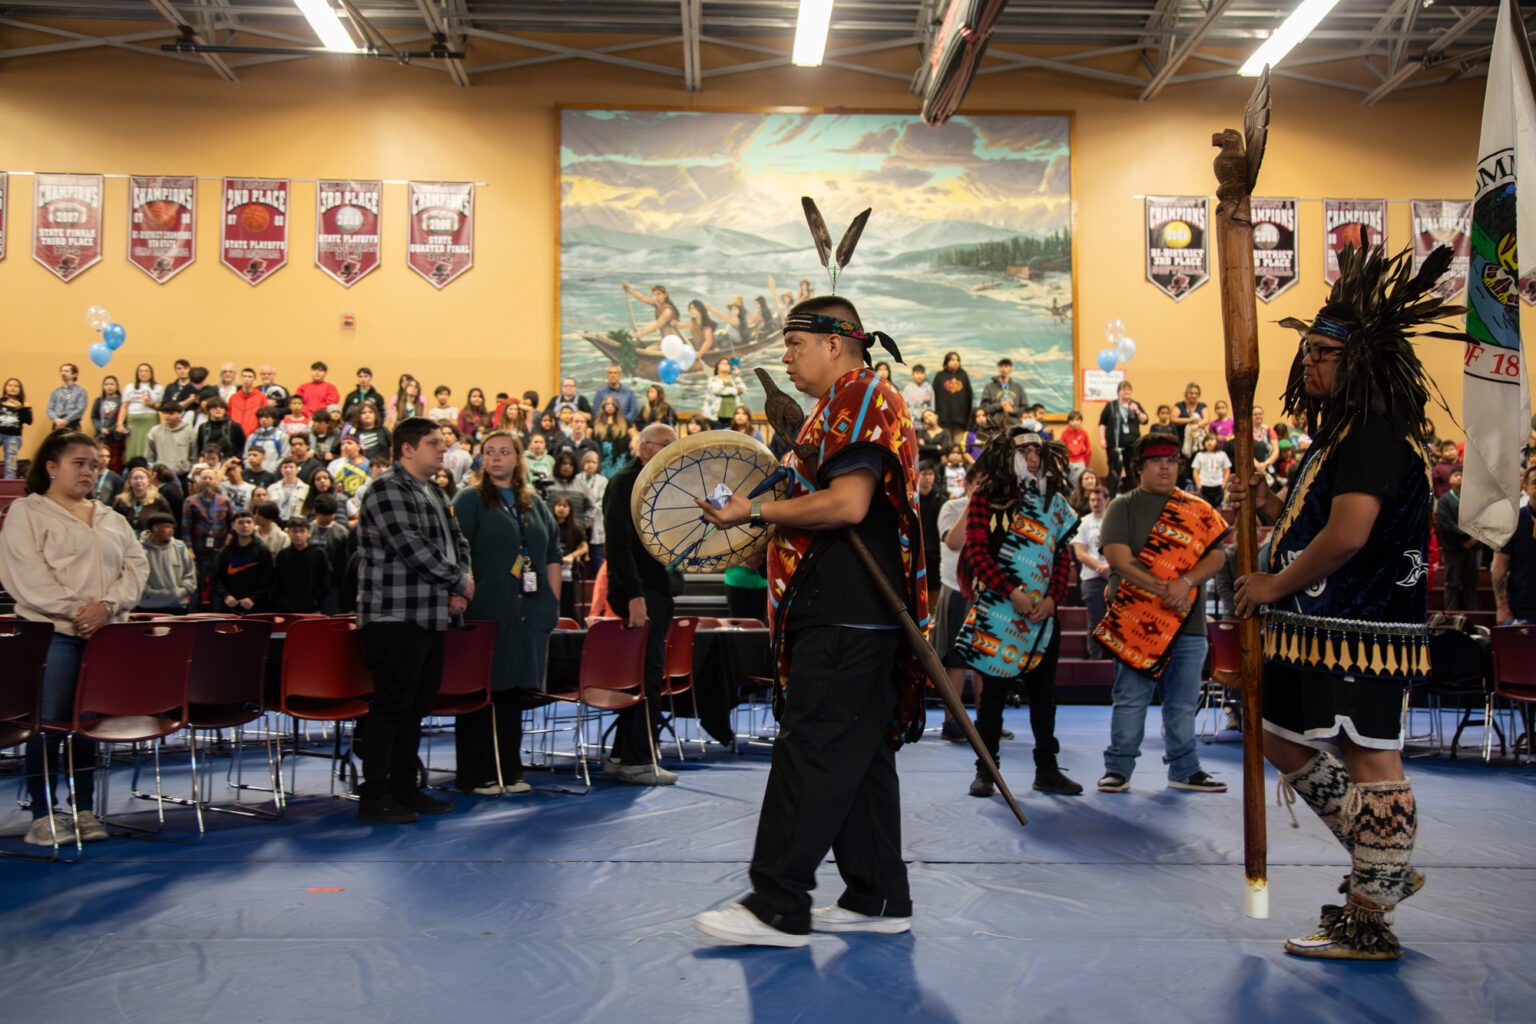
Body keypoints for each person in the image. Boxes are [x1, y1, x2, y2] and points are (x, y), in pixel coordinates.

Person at [1230, 246, 1457, 961]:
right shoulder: (1340, 437)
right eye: (1306, 352)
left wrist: (1269, 584)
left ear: (1363, 362)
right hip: (1319, 629)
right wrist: (1263, 504)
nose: (1309, 364)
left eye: (1324, 353)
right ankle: (1380, 860)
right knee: (1277, 734)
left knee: (1370, 758)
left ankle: (1370, 916)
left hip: (1362, 629)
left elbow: (1349, 535)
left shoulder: (1375, 435)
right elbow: (1313, 519)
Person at [692, 294, 925, 947]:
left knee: (814, 748)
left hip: (848, 613)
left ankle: (777, 903)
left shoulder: (860, 397)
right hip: (854, 614)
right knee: (859, 755)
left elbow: (848, 505)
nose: (787, 358)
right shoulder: (840, 407)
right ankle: (877, 894)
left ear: (836, 342)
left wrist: (754, 514)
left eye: (795, 344)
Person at [0, 431, 147, 846]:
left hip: (105, 635)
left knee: (86, 724)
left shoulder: (110, 517)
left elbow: (135, 569)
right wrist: (77, 612)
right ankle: (43, 816)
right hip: (53, 634)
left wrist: (108, 605)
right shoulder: (27, 513)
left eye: (95, 465)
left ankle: (83, 809)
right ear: (51, 466)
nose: (89, 471)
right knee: (47, 726)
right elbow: (26, 576)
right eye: (79, 463)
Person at [1094, 433, 1230, 795]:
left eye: (1172, 460)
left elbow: (1218, 555)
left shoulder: (1199, 509)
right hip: (1135, 621)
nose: (1166, 466)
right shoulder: (1122, 506)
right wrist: (1168, 589)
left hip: (1189, 623)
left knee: (1183, 703)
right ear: (1140, 467)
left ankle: (1185, 768)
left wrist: (1185, 583)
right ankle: (1118, 769)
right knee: (1130, 700)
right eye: (1157, 461)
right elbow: (1118, 559)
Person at [355, 417, 475, 824]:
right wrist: (458, 580)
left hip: (429, 614)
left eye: (442, 443)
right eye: (432, 443)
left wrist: (460, 584)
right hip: (394, 615)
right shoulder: (385, 489)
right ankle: (374, 794)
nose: (442, 450)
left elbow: (457, 541)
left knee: (416, 707)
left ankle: (405, 788)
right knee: (391, 706)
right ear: (407, 449)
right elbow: (412, 547)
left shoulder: (435, 490)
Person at [954, 428, 1082, 798]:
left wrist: (1052, 599)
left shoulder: (1055, 504)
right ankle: (986, 771)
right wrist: (1012, 591)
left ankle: (1047, 770)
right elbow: (976, 552)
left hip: (1043, 617)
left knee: (1044, 699)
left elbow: (1061, 557)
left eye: (1037, 451)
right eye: (1024, 450)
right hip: (999, 611)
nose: (1032, 458)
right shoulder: (986, 498)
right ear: (1007, 454)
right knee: (991, 698)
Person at [450, 430, 560, 795]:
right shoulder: (470, 499)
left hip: (526, 609)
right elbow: (456, 551)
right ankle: (477, 774)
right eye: (489, 452)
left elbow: (553, 554)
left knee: (512, 691)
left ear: (517, 458)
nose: (496, 458)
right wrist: (459, 593)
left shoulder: (535, 503)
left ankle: (510, 771)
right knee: (483, 690)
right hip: (485, 607)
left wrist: (551, 599)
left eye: (504, 452)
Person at [601, 422, 682, 785]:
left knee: (643, 674)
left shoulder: (662, 482)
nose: (671, 451)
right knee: (645, 676)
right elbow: (617, 546)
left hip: (658, 589)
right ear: (645, 448)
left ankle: (623, 754)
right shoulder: (624, 483)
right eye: (666, 445)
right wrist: (633, 595)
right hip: (641, 593)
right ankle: (637, 759)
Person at [182, 467, 232, 604]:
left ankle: (218, 615)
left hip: (220, 550)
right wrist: (189, 548)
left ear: (216, 481)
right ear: (199, 481)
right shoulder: (190, 501)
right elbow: (186, 527)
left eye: (211, 478)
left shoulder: (224, 501)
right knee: (197, 586)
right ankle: (193, 616)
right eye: (205, 478)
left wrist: (229, 546)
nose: (208, 481)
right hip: (199, 550)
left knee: (219, 585)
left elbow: (231, 525)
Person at [1433, 465, 1479, 611]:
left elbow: (1481, 520)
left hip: (1473, 548)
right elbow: (1446, 524)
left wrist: (1474, 539)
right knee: (1452, 583)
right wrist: (1466, 538)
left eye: (1462, 475)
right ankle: (1450, 616)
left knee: (1471, 584)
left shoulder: (1474, 499)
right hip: (1454, 548)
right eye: (1456, 475)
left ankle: (1472, 616)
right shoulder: (1444, 500)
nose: (1460, 477)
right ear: (1450, 479)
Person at [1494, 467, 1536, 624]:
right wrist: (1501, 607)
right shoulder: (1512, 521)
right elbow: (1499, 567)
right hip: (1523, 604)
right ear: (1525, 487)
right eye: (1535, 483)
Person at [1073, 486, 1111, 658]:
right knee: (1095, 621)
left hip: (1114, 576)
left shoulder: (1115, 520)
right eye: (1092, 500)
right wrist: (1100, 567)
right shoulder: (1084, 522)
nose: (1095, 503)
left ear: (1107, 500)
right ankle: (1094, 660)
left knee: (1115, 622)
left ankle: (1114, 659)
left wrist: (1110, 568)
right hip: (1091, 578)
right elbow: (1080, 553)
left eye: (1099, 500)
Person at [211, 510, 273, 613]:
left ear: (254, 525)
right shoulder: (225, 552)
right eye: (240, 522)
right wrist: (226, 596)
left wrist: (253, 598)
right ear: (233, 526)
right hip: (229, 607)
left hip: (256, 607)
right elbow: (215, 577)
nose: (245, 525)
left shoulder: (263, 550)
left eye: (249, 522)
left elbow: (268, 579)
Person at [137, 510, 197, 613]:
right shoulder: (139, 549)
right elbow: (136, 580)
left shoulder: (180, 547)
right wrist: (161, 595)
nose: (171, 530)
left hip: (177, 607)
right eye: (167, 526)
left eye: (172, 527)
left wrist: (180, 593)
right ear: (155, 528)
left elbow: (190, 576)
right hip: (147, 607)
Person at [271, 516, 330, 613]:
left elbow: (325, 580)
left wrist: (317, 600)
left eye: (302, 531)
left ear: (309, 533)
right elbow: (277, 582)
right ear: (288, 532)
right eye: (294, 531)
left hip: (312, 608)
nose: (298, 535)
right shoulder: (283, 555)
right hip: (286, 608)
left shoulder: (319, 553)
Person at [1097, 380, 1147, 495]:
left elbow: (1145, 420)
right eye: (1123, 389)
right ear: (1118, 392)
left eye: (1129, 389)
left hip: (1132, 446)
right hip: (1114, 445)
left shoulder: (1135, 405)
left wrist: (1137, 411)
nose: (1126, 391)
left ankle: (1130, 497)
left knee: (1131, 472)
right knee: (1114, 472)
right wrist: (1102, 439)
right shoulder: (1111, 406)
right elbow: (1102, 423)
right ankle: (1111, 497)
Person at [119, 363, 163, 463]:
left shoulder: (158, 388)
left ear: (151, 373)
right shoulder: (129, 387)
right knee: (133, 445)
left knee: (148, 444)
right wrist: (120, 423)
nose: (144, 373)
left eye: (147, 371)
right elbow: (124, 406)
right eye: (141, 371)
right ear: (137, 373)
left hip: (151, 419)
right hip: (133, 421)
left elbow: (161, 407)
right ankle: (132, 466)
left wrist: (151, 404)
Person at [113, 465, 172, 532]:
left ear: (148, 481)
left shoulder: (157, 499)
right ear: (130, 481)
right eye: (135, 478)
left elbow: (169, 521)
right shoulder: (121, 500)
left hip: (150, 539)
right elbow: (113, 521)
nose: (139, 481)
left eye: (142, 478)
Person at [575, 450, 607, 573]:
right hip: (579, 520)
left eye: (594, 462)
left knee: (596, 556)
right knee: (579, 555)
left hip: (595, 521)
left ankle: (598, 585)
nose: (591, 465)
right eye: (588, 462)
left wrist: (589, 516)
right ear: (583, 463)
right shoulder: (577, 478)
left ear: (598, 465)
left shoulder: (602, 480)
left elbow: (601, 501)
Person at [932, 351, 973, 444]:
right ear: (946, 362)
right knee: (946, 447)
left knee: (959, 448)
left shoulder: (963, 375)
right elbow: (934, 396)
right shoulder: (940, 376)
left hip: (960, 420)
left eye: (958, 360)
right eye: (952, 359)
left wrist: (968, 417)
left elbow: (969, 396)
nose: (956, 362)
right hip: (943, 419)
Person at [92, 375, 126, 471]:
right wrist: (100, 428)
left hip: (115, 437)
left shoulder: (121, 401)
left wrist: (110, 430)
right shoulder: (98, 401)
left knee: (114, 463)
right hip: (100, 437)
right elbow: (94, 417)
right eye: (106, 384)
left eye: (111, 384)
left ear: (117, 386)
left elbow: (124, 419)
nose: (109, 386)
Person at [195, 396, 245, 462]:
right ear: (209, 410)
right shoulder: (203, 427)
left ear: (225, 410)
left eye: (221, 407)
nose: (218, 409)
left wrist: (238, 458)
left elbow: (242, 446)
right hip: (209, 463)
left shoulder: (234, 426)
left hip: (229, 463)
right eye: (214, 408)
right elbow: (200, 448)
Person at [0, 377, 32, 479]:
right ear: (5, 388)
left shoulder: (23, 404)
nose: (13, 388)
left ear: (20, 389)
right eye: (10, 385)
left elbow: (29, 421)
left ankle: (9, 483)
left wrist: (22, 409)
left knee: (11, 462)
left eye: (16, 386)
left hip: (13, 436)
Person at [703, 358, 747, 429]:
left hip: (733, 417)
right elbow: (717, 390)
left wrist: (737, 376)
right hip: (716, 418)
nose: (726, 365)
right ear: (717, 367)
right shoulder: (712, 379)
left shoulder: (733, 379)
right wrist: (735, 390)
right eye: (722, 363)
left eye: (727, 363)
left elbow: (743, 389)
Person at [1192, 432, 1232, 508]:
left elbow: (1227, 470)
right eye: (1207, 440)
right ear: (1203, 443)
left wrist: (1224, 483)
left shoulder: (1222, 454)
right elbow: (1195, 471)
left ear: (1216, 442)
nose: (1209, 442)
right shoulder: (1199, 455)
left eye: (1211, 440)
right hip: (1204, 485)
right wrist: (1199, 484)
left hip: (1218, 485)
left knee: (1217, 508)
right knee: (1204, 508)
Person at [46, 363, 88, 432]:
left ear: (74, 374)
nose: (63, 373)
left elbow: (80, 409)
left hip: (73, 425)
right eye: (62, 371)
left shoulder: (81, 391)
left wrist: (66, 420)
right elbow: (49, 409)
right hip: (57, 425)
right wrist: (56, 420)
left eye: (66, 371)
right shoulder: (55, 391)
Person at [228, 368, 266, 435]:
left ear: (254, 380)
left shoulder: (261, 397)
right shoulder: (233, 397)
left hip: (253, 435)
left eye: (250, 377)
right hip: (234, 435)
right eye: (244, 376)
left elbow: (265, 416)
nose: (247, 379)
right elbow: (228, 415)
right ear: (241, 378)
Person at [272, 458, 310, 522]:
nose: (288, 470)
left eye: (291, 467)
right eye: (285, 467)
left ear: (297, 470)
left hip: (298, 522)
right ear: (281, 470)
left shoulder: (306, 489)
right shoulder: (272, 488)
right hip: (277, 522)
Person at [1061, 410, 1091, 490]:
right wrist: (1064, 462)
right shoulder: (1065, 433)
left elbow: (1088, 450)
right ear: (1069, 422)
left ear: (1081, 421)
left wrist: (1085, 463)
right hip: (1068, 461)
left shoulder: (1084, 433)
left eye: (1077, 420)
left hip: (1080, 461)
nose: (1075, 422)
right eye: (1072, 420)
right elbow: (1061, 449)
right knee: (1067, 481)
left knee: (1081, 482)